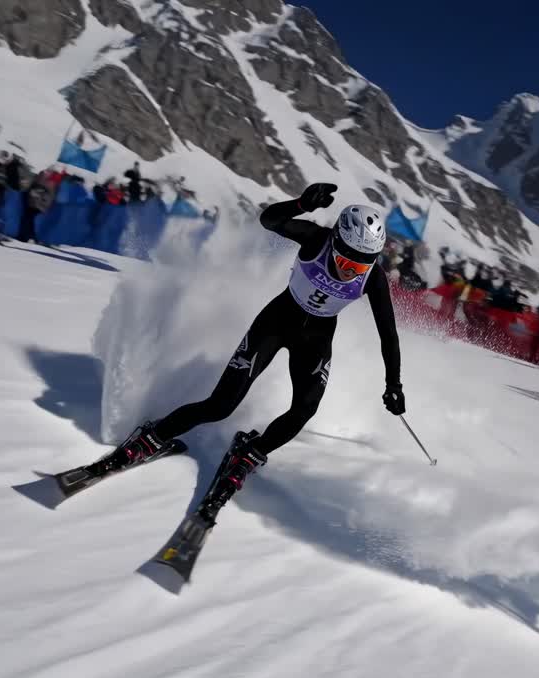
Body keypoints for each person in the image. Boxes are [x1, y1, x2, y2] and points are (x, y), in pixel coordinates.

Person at [80, 183, 406, 526]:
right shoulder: (316, 239)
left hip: (316, 339)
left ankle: (251, 453)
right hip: (276, 322)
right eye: (346, 261)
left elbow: (388, 334)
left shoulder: (373, 278)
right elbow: (270, 220)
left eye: (361, 266)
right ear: (336, 241)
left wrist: (393, 384)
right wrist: (300, 204)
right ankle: (152, 436)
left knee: (304, 410)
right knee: (220, 406)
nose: (351, 271)